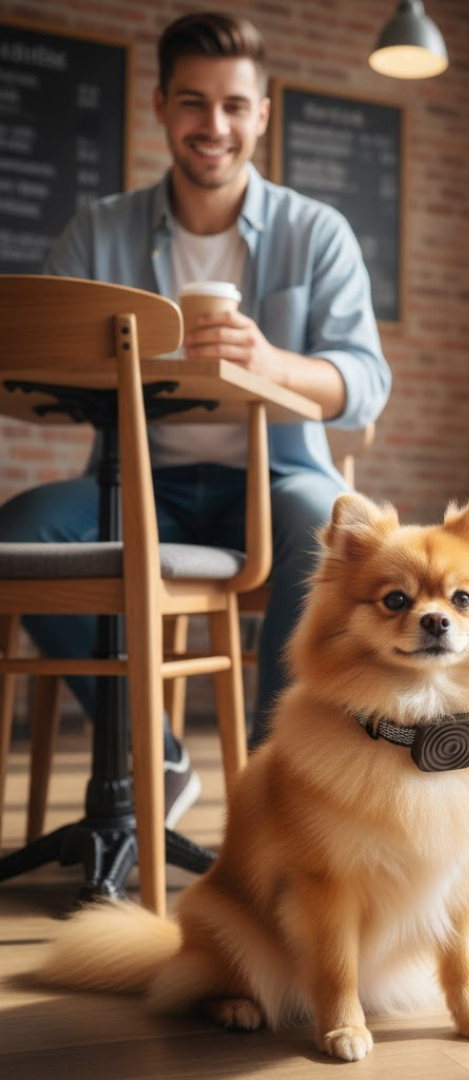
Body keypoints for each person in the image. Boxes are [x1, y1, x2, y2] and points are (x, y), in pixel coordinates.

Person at [0, 12, 390, 819]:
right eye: (193, 103)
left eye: (234, 105)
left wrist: (270, 363)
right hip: (138, 481)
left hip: (277, 480)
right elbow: (37, 371)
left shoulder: (317, 232)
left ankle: (283, 786)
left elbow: (366, 379)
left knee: (324, 523)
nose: (214, 126)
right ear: (159, 108)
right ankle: (155, 753)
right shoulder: (96, 232)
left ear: (263, 114)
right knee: (19, 537)